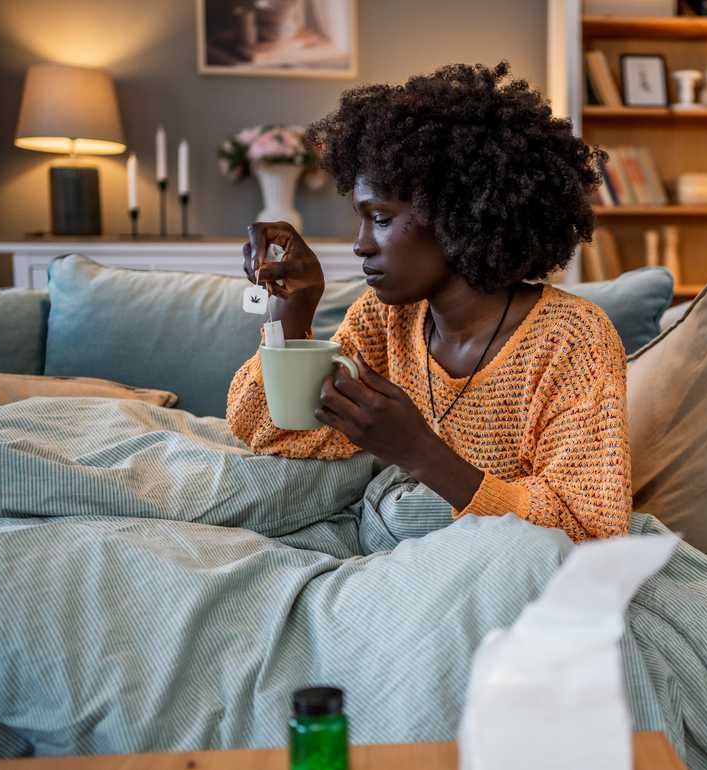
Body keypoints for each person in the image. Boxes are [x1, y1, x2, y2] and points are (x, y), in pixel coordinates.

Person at [227, 61, 630, 542]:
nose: (359, 245)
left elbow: (589, 531)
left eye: (379, 217)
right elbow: (266, 429)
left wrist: (418, 451)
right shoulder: (387, 317)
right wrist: (293, 310)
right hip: (386, 532)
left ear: (461, 215)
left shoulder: (573, 340)